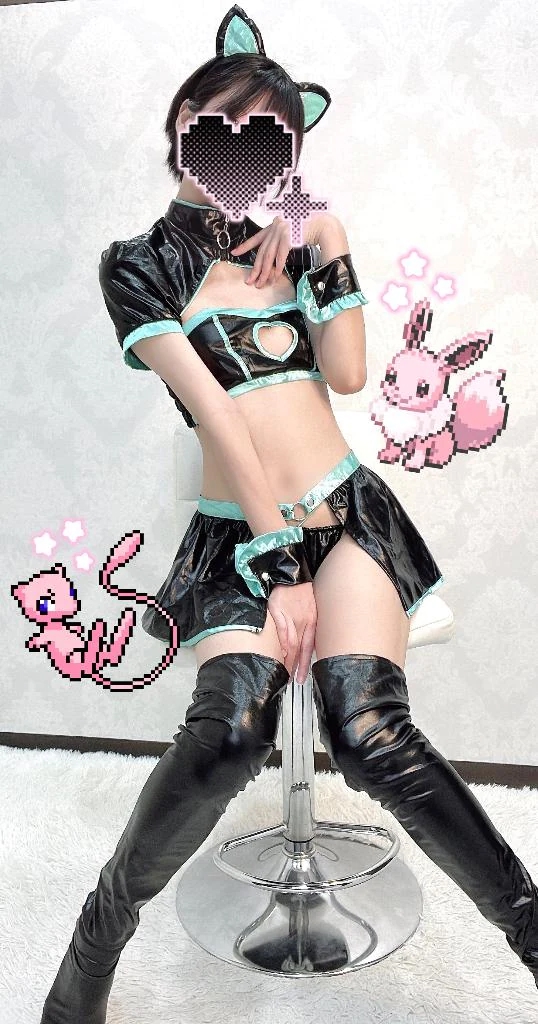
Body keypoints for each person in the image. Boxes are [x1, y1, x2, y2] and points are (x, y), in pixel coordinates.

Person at [40, 6, 538, 1021]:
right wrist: (276, 563)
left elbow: (347, 374)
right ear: (183, 121)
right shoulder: (138, 263)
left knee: (368, 731)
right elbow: (218, 413)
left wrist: (328, 232)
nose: (242, 151)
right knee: (229, 732)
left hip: (348, 515)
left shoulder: (295, 239)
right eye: (223, 125)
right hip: (241, 536)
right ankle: (98, 937)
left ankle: (532, 933)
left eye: (268, 140)